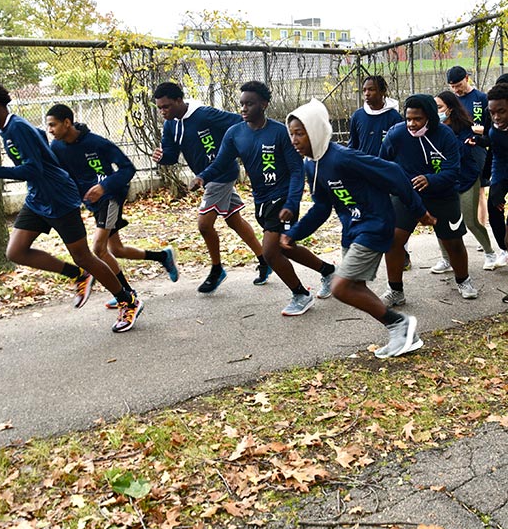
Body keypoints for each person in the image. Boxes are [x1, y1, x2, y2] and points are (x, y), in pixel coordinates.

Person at [0, 81, 143, 333]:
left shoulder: (17, 128)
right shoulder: (8, 128)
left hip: (59, 199)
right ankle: (78, 275)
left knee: (85, 256)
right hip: (38, 199)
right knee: (15, 252)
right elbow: (40, 144)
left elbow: (32, 169)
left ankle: (128, 300)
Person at [282, 98, 435, 358]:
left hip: (375, 225)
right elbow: (321, 206)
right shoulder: (312, 164)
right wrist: (294, 233)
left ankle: (401, 325)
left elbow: (395, 174)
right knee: (354, 286)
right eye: (292, 134)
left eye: (300, 133)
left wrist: (419, 211)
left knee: (341, 286)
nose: (294, 140)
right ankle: (403, 332)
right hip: (352, 229)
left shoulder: (342, 157)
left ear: (316, 130)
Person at [190, 81, 335, 316]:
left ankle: (300, 294)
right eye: (242, 104)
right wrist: (203, 177)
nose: (244, 109)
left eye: (250, 103)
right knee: (285, 247)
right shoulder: (235, 133)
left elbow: (297, 171)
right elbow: (221, 163)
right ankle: (328, 271)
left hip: (283, 199)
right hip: (261, 200)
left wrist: (291, 202)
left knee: (270, 252)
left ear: (264, 104)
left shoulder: (280, 132)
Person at [45, 104, 179, 310]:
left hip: (110, 198)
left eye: (53, 125)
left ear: (67, 122)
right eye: (48, 127)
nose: (50, 130)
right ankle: (163, 256)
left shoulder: (96, 143)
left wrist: (103, 186)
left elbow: (128, 168)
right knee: (117, 249)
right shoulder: (57, 148)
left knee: (98, 248)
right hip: (92, 204)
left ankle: (126, 295)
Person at [152, 82, 270, 293]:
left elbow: (240, 122)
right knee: (234, 220)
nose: (163, 112)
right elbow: (171, 155)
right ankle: (265, 260)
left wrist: (237, 149)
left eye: (166, 106)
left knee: (204, 225)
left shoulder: (204, 115)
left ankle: (217, 269)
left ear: (179, 100)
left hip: (221, 173)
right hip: (206, 178)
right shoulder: (170, 125)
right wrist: (162, 157)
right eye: (160, 108)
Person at [379, 93, 478, 304]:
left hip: (442, 195)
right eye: (408, 119)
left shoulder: (446, 135)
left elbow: (453, 170)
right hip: (408, 195)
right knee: (393, 240)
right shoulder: (396, 134)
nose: (412, 124)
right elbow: (382, 164)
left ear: (431, 118)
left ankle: (463, 280)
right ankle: (395, 290)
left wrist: (431, 179)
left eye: (418, 119)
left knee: (453, 242)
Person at [347, 75, 411, 270]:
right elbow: (353, 145)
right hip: (364, 175)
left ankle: (403, 254)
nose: (367, 94)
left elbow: (402, 148)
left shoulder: (394, 117)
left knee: (394, 217)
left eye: (371, 90)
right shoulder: (358, 116)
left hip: (388, 175)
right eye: (364, 90)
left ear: (382, 92)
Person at [428, 91, 497, 272]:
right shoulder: (431, 130)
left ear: (450, 109)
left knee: (470, 221)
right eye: (434, 108)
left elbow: (460, 153)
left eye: (440, 107)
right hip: (443, 181)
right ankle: (446, 259)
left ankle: (490, 253)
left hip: (466, 179)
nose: (437, 111)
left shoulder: (464, 126)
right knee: (440, 221)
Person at [447, 65, 491, 233]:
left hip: (477, 149)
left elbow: (489, 127)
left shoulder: (481, 98)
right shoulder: (451, 101)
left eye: (458, 85)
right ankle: (458, 231)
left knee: (479, 191)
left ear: (467, 78)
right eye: (452, 87)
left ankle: (481, 229)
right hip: (457, 149)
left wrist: (473, 129)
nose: (456, 90)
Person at [477, 82, 508, 301]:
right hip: (504, 171)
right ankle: (504, 248)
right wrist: (496, 186)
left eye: (502, 111)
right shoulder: (494, 131)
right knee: (492, 207)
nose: (496, 117)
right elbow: (498, 158)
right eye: (492, 112)